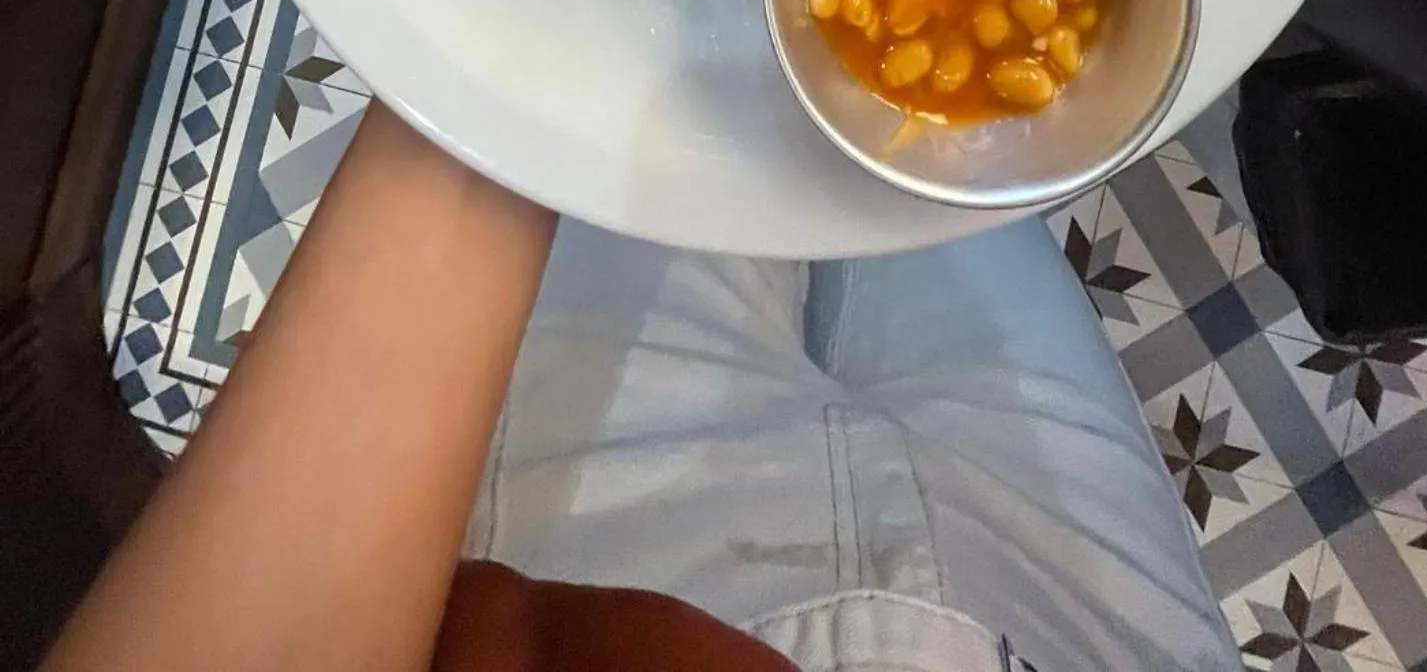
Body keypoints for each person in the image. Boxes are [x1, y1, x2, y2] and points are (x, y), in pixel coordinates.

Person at [48, 104, 1239, 671]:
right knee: (961, 177)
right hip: (1090, 634)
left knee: (640, 134)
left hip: (615, 549)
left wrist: (493, 62)